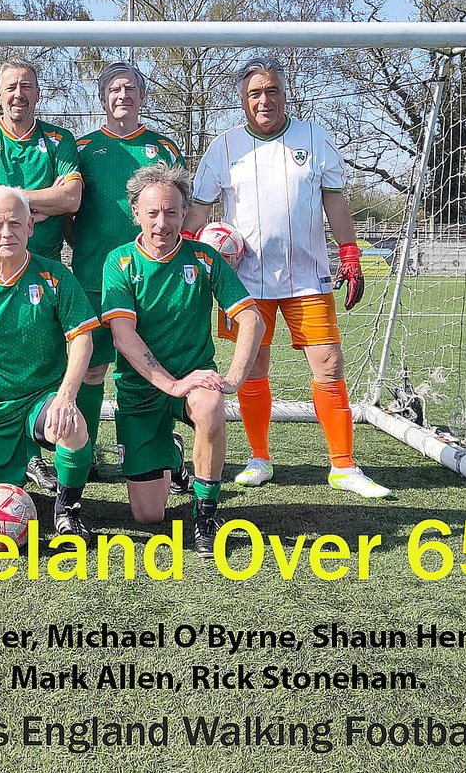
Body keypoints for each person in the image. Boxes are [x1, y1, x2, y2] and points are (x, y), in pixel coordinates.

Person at [185, 56, 391, 499]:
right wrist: (184, 249)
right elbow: (200, 209)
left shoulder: (315, 138)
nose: (264, 100)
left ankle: (343, 465)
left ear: (285, 93)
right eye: (254, 93)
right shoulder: (223, 146)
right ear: (242, 101)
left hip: (308, 278)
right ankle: (259, 458)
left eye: (272, 90)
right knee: (253, 366)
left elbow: (334, 200)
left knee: (329, 364)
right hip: (244, 281)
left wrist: (350, 251)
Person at [102, 163, 263, 557]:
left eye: (171, 212)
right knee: (148, 515)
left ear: (185, 213)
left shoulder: (204, 258)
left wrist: (232, 379)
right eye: (152, 213)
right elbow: (123, 336)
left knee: (210, 404)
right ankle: (172, 456)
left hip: (193, 383)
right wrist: (171, 384)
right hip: (141, 390)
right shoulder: (119, 262)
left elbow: (251, 319)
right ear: (135, 212)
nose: (162, 223)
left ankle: (206, 515)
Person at [0, 186, 98, 540]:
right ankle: (9, 471)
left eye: (15, 223)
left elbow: (82, 338)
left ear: (30, 227)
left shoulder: (55, 276)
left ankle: (67, 510)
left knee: (71, 425)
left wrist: (65, 397)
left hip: (41, 400)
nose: (6, 232)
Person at [0, 60, 83, 493]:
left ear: (37, 92)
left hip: (44, 271)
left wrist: (7, 201)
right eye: (10, 86)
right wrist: (35, 203)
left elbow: (72, 198)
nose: (18, 94)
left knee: (44, 362)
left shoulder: (59, 139)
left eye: (26, 86)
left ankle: (47, 458)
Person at [72, 61, 186, 486]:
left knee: (147, 366)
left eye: (130, 88)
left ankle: (157, 453)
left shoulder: (163, 147)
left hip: (154, 281)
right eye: (115, 89)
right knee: (92, 368)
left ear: (142, 96)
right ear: (103, 98)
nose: (123, 96)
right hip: (95, 277)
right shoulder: (83, 148)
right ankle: (83, 452)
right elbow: (70, 214)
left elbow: (182, 207)